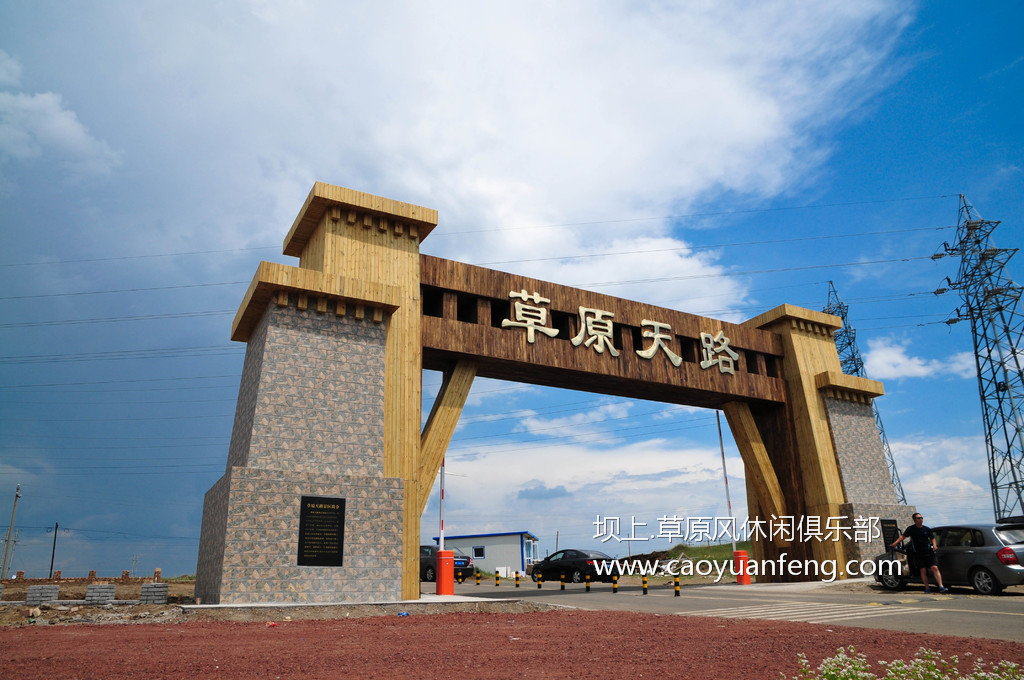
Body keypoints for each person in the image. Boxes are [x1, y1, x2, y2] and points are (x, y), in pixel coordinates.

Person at [889, 513, 947, 593]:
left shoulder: (926, 529)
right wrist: (895, 543)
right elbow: (903, 537)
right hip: (918, 553)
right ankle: (927, 588)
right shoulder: (911, 529)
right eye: (919, 518)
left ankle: (941, 586)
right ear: (914, 520)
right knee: (923, 570)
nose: (921, 519)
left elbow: (932, 538)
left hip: (929, 552)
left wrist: (934, 545)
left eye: (921, 518)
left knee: (935, 568)